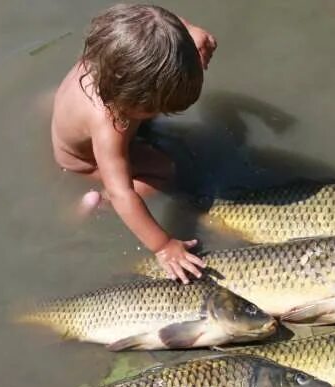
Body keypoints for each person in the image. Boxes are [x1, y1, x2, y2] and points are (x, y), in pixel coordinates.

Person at [50, 4, 217, 283]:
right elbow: (123, 192)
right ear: (128, 102)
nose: (161, 114)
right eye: (155, 109)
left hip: (74, 116)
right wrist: (163, 247)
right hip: (84, 162)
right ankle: (96, 203)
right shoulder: (109, 125)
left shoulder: (116, 46)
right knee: (162, 169)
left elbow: (158, 25)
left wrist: (189, 34)